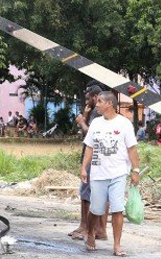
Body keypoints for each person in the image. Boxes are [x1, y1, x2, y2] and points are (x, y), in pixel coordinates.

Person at [81, 91, 140, 256]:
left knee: (117, 209)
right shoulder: (96, 123)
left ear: (109, 104)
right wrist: (83, 168)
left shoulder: (124, 124)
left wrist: (135, 170)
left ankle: (117, 246)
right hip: (99, 174)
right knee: (96, 209)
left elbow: (132, 149)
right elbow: (89, 148)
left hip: (119, 173)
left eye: (99, 101)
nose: (96, 104)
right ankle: (90, 233)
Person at [69, 84, 108, 241]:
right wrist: (85, 115)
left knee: (87, 194)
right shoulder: (94, 112)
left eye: (88, 98)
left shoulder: (97, 113)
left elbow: (90, 134)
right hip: (96, 157)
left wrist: (80, 121)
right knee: (94, 193)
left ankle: (91, 228)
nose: (89, 102)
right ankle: (90, 227)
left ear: (95, 96)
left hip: (93, 158)